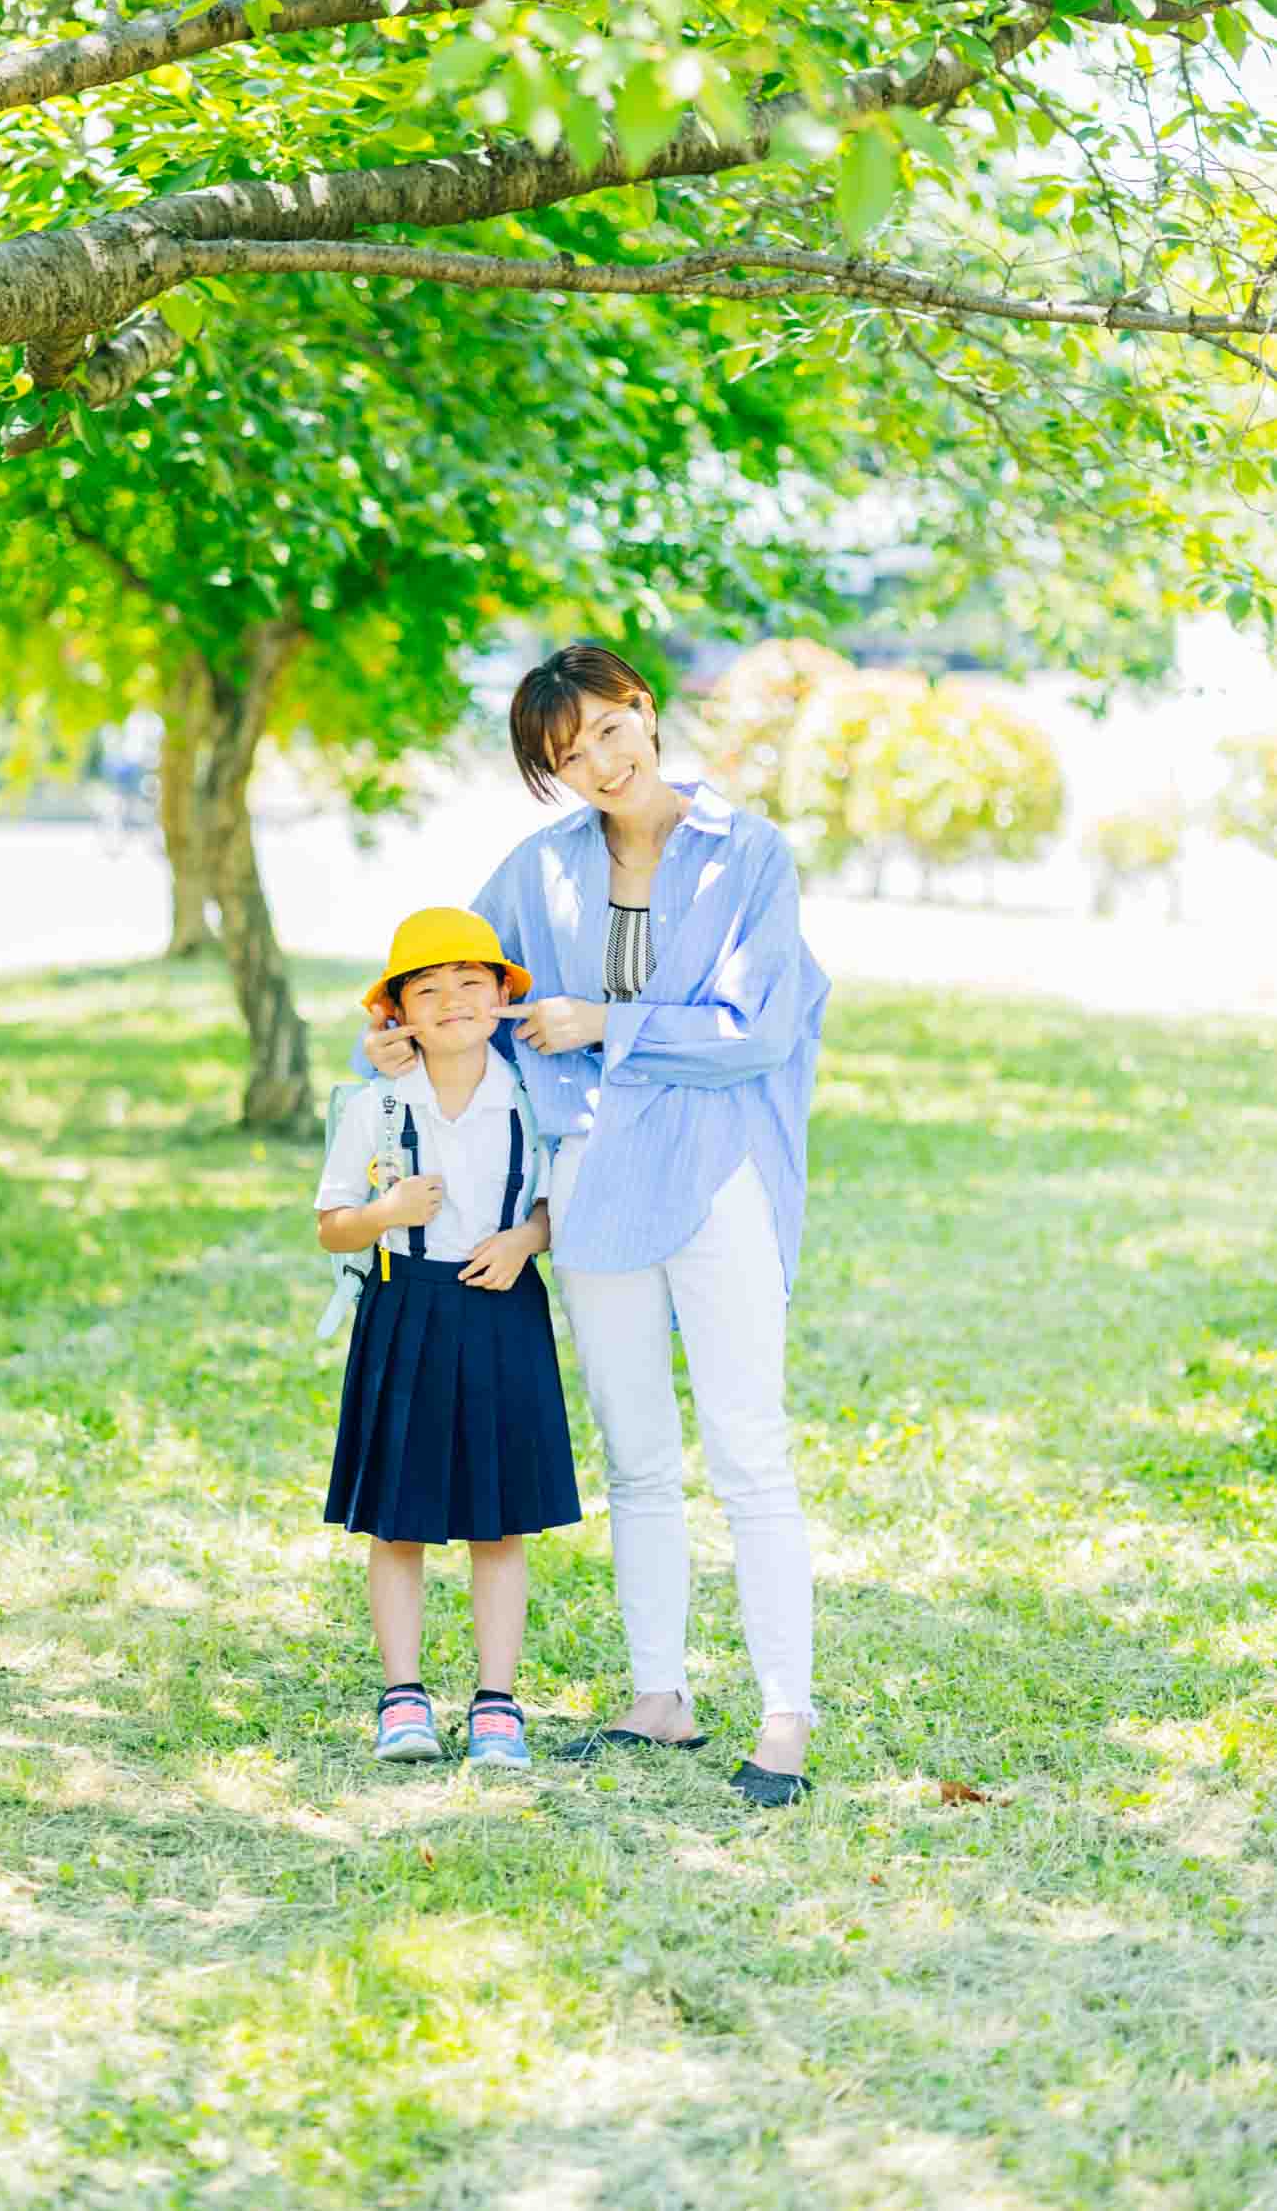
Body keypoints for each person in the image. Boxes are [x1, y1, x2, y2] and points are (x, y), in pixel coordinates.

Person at [364, 645, 829, 1807]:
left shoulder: (746, 853)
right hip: (590, 1187)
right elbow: (455, 985)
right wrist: (395, 1041)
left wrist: (605, 1024)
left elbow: (758, 1028)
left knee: (745, 1445)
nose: (601, 765)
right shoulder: (538, 870)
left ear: (646, 711)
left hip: (718, 1169)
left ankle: (783, 1712)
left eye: (610, 733)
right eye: (569, 759)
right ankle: (657, 1692)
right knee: (634, 1453)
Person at [318, 906, 582, 1769]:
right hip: (405, 1308)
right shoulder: (375, 1104)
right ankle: (402, 1697)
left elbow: (560, 1200)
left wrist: (526, 1241)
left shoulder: (531, 1096)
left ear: (504, 995)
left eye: (471, 983)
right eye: (426, 990)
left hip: (502, 1306)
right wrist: (386, 1213)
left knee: (497, 1523)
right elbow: (332, 1227)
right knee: (398, 1521)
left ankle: (496, 1702)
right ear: (395, 1013)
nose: (452, 1001)